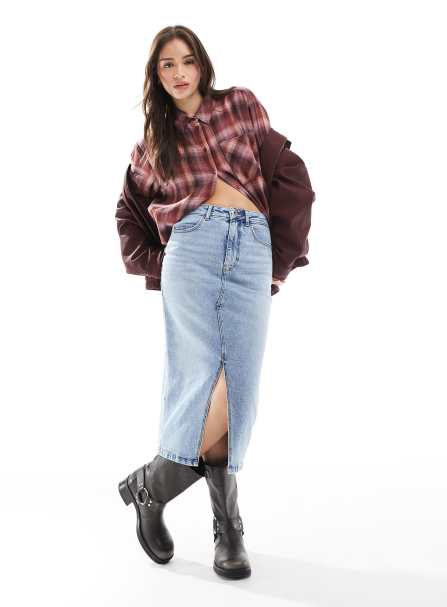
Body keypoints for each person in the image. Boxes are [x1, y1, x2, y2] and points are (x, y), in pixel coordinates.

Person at [116, 24, 284, 580]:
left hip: (253, 246)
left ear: (202, 64)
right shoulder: (151, 144)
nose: (180, 73)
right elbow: (128, 214)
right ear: (156, 75)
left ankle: (152, 485)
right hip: (191, 250)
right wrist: (159, 264)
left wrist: (284, 254)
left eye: (187, 61)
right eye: (167, 65)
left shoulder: (242, 105)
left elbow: (281, 174)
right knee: (204, 381)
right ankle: (229, 529)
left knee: (239, 388)